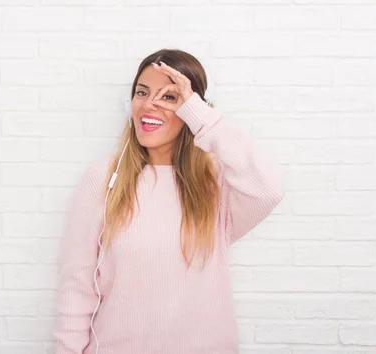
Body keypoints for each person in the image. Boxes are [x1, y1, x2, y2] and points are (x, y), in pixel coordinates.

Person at [53, 49, 285, 354]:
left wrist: (199, 116)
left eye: (169, 97)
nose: (149, 105)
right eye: (142, 92)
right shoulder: (104, 178)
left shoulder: (217, 184)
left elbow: (267, 189)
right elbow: (77, 285)